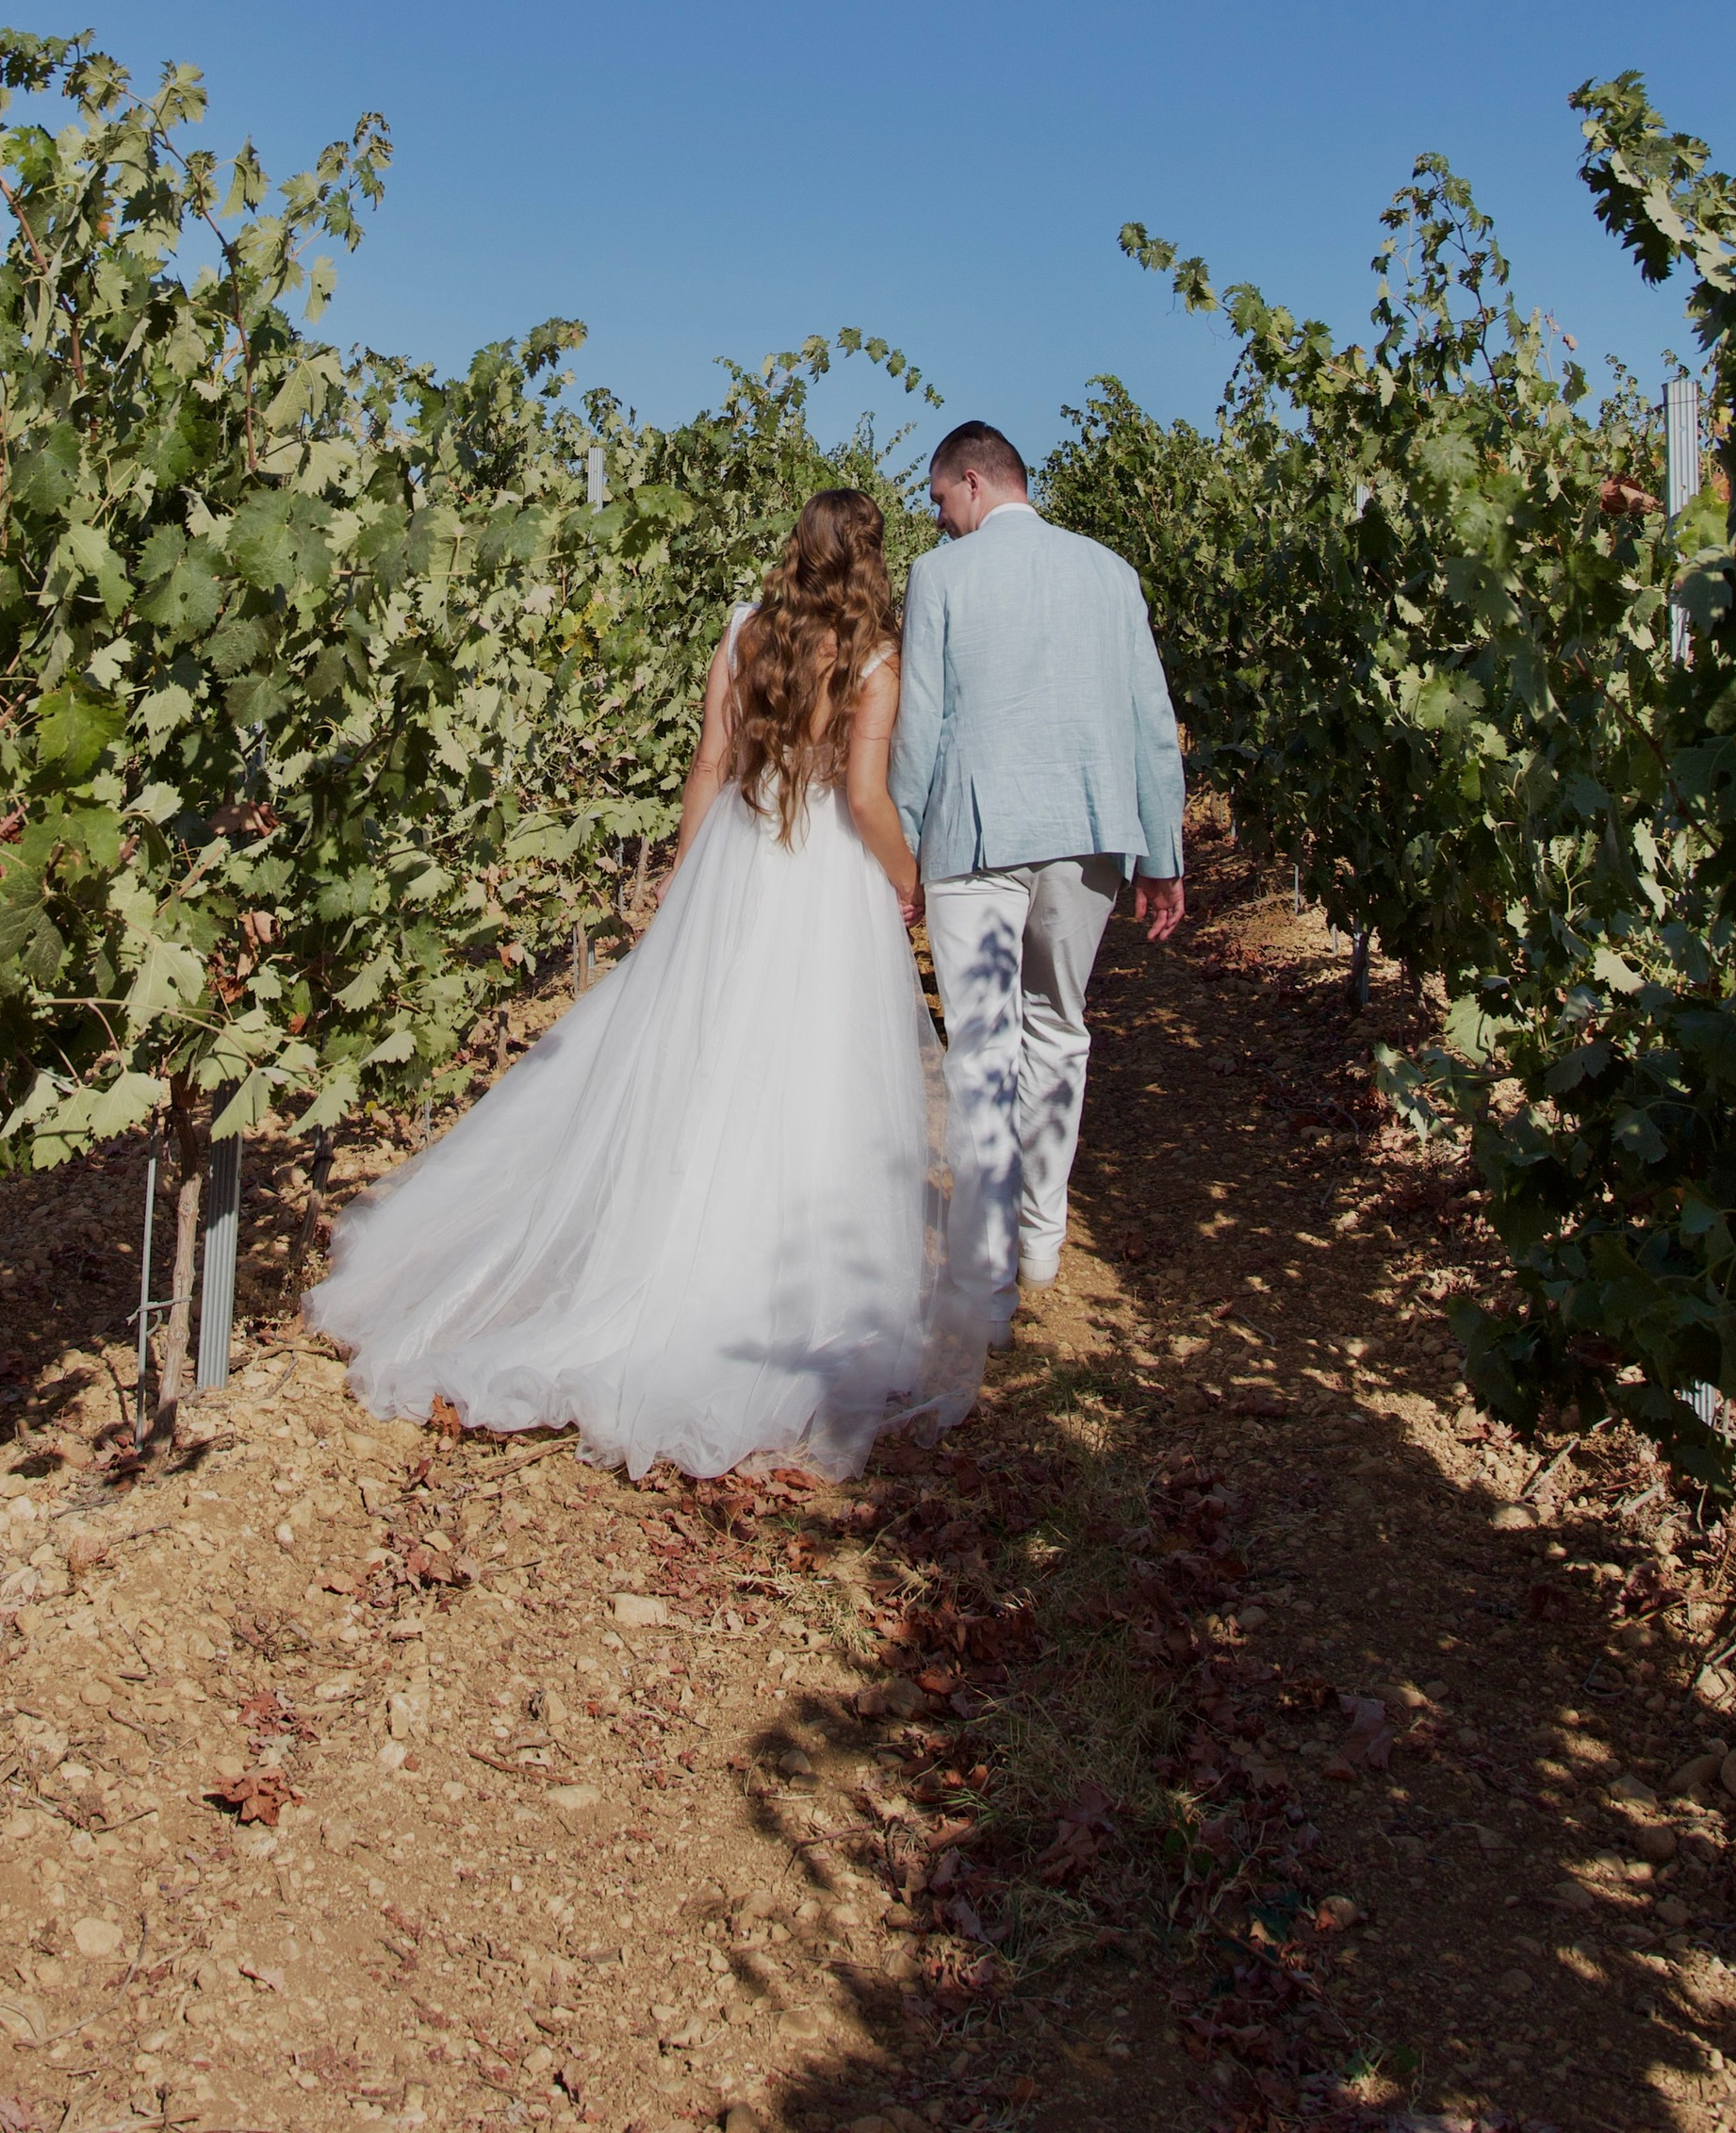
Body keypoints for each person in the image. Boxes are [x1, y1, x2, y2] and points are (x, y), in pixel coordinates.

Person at [305, 489, 992, 1476]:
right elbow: (865, 795)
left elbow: (708, 767)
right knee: (808, 1072)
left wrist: (683, 881)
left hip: (738, 858)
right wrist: (906, 874)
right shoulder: (877, 661)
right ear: (873, 560)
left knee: (702, 1056)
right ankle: (783, 1288)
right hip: (822, 875)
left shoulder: (744, 633)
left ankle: (661, 1251)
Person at [889, 419, 1186, 1344]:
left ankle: (981, 1279)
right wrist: (1162, 852)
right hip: (1089, 830)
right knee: (1057, 1031)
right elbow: (1150, 718)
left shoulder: (941, 578)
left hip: (975, 833)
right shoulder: (1110, 574)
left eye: (939, 501)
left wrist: (899, 849)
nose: (937, 522)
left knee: (979, 1048)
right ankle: (1042, 1244)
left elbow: (920, 728)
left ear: (973, 482)